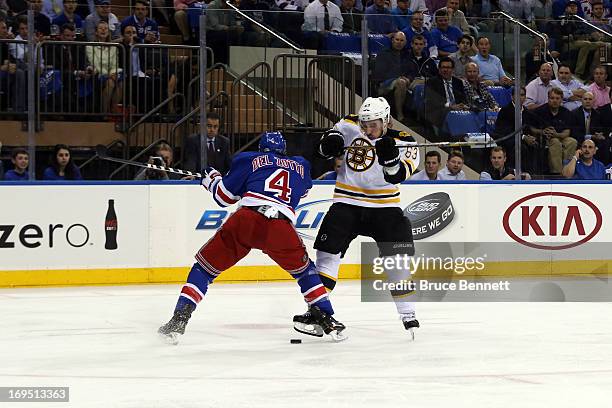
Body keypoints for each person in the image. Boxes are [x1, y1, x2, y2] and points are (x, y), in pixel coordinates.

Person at [158, 132, 346, 344]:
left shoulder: (248, 159)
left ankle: (179, 318)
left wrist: (211, 179)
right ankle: (328, 317)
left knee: (203, 269)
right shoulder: (301, 165)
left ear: (261, 148)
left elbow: (224, 197)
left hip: (247, 220)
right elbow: (300, 193)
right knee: (305, 273)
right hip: (280, 226)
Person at [292, 97, 421, 339]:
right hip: (347, 203)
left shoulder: (405, 142)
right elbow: (323, 147)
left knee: (398, 261)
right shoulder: (349, 124)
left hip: (385, 207)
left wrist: (391, 161)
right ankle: (318, 311)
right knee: (327, 254)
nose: (367, 130)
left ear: (386, 121)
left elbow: (397, 176)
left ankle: (408, 313)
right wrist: (328, 144)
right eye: (364, 124)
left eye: (372, 125)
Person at [528, 87, 577, 174]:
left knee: (572, 141)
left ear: (561, 100)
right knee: (555, 142)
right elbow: (531, 128)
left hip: (560, 136)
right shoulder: (539, 111)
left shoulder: (566, 113)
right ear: (548, 99)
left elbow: (567, 132)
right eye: (552, 98)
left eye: (557, 98)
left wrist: (556, 134)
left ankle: (567, 170)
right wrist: (542, 131)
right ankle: (557, 173)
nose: (554, 101)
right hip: (544, 139)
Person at [373, 31, 411, 122]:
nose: (399, 42)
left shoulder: (407, 55)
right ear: (392, 40)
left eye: (401, 40)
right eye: (397, 39)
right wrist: (399, 77)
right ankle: (399, 115)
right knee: (401, 83)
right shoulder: (384, 54)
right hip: (384, 83)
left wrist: (409, 78)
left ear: (405, 42)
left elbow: (411, 70)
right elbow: (380, 73)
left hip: (402, 80)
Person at [423, 57, 469, 128]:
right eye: (443, 67)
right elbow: (432, 101)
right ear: (439, 69)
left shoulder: (458, 82)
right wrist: (450, 106)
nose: (445, 70)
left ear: (453, 69)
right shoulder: (432, 82)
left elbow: (463, 98)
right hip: (440, 111)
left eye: (448, 67)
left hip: (458, 111)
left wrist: (463, 105)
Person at [570, 92, 609, 164]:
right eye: (585, 99)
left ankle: (603, 167)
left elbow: (599, 129)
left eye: (590, 99)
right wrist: (591, 136)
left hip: (593, 141)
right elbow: (574, 133)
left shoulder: (597, 114)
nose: (588, 101)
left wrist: (599, 134)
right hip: (579, 140)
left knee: (605, 142)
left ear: (593, 101)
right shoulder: (574, 114)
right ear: (581, 101)